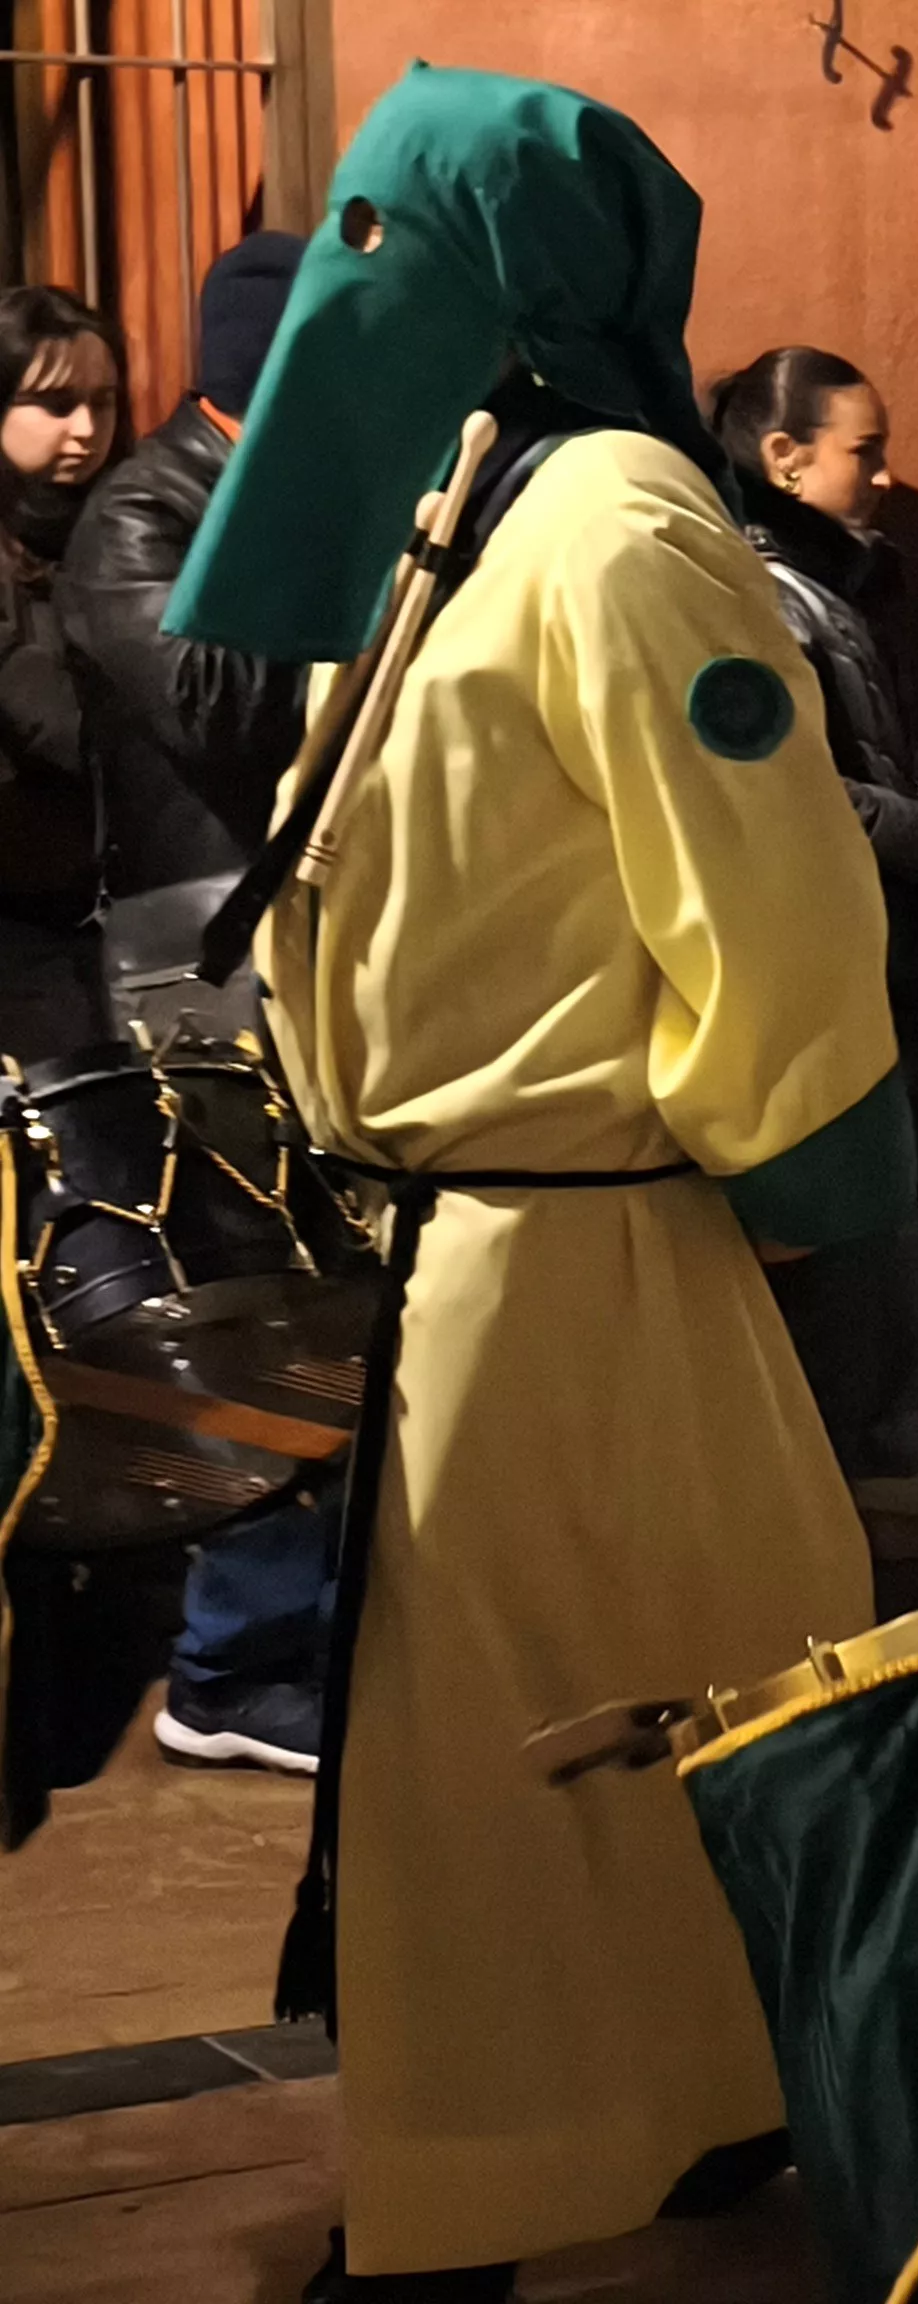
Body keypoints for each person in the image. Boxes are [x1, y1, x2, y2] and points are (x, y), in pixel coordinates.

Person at [161, 68, 913, 2297]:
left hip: (572, 1252)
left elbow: (768, 899)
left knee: (498, 1780)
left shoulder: (617, 527)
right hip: (475, 1241)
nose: (355, 288)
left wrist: (780, 1179)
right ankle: (679, 2118)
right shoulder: (477, 501)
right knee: (591, 1752)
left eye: (405, 239)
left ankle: (469, 2200)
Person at [48, 233, 329, 1774]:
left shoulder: (222, 499)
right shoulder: (140, 517)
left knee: (328, 1282)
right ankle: (233, 1665)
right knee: (254, 1294)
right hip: (195, 944)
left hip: (298, 928)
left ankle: (303, 1631)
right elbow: (223, 714)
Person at [713, 344, 918, 1520]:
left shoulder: (833, 585)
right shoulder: (759, 594)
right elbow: (805, 787)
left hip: (909, 942)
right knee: (885, 1209)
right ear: (783, 457)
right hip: (871, 945)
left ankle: (896, 1438)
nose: (887, 478)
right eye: (865, 450)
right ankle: (874, 1451)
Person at [60, 232, 301, 1040]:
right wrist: (297, 514)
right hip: (198, 926)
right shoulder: (143, 510)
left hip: (312, 910)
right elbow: (209, 708)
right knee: (223, 1167)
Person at [0, 284, 119, 1062]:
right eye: (53, 403)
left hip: (120, 909)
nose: (85, 430)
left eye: (104, 403)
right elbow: (57, 719)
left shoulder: (128, 519)